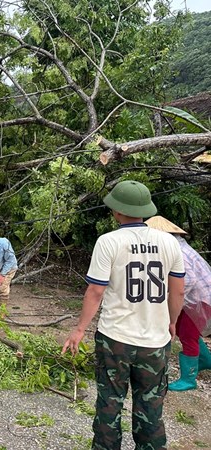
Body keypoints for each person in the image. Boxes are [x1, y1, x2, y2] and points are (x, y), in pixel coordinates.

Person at [62, 180, 185, 450]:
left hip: (115, 339)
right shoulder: (169, 242)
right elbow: (177, 291)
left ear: (117, 211)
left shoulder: (109, 242)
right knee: (151, 406)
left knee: (109, 402)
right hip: (155, 341)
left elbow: (95, 291)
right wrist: (172, 321)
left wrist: (79, 329)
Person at [145, 215, 211, 391]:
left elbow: (187, 282)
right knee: (183, 330)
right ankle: (205, 360)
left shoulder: (178, 251)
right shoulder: (177, 245)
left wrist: (171, 297)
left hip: (199, 299)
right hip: (195, 297)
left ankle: (189, 379)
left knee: (188, 334)